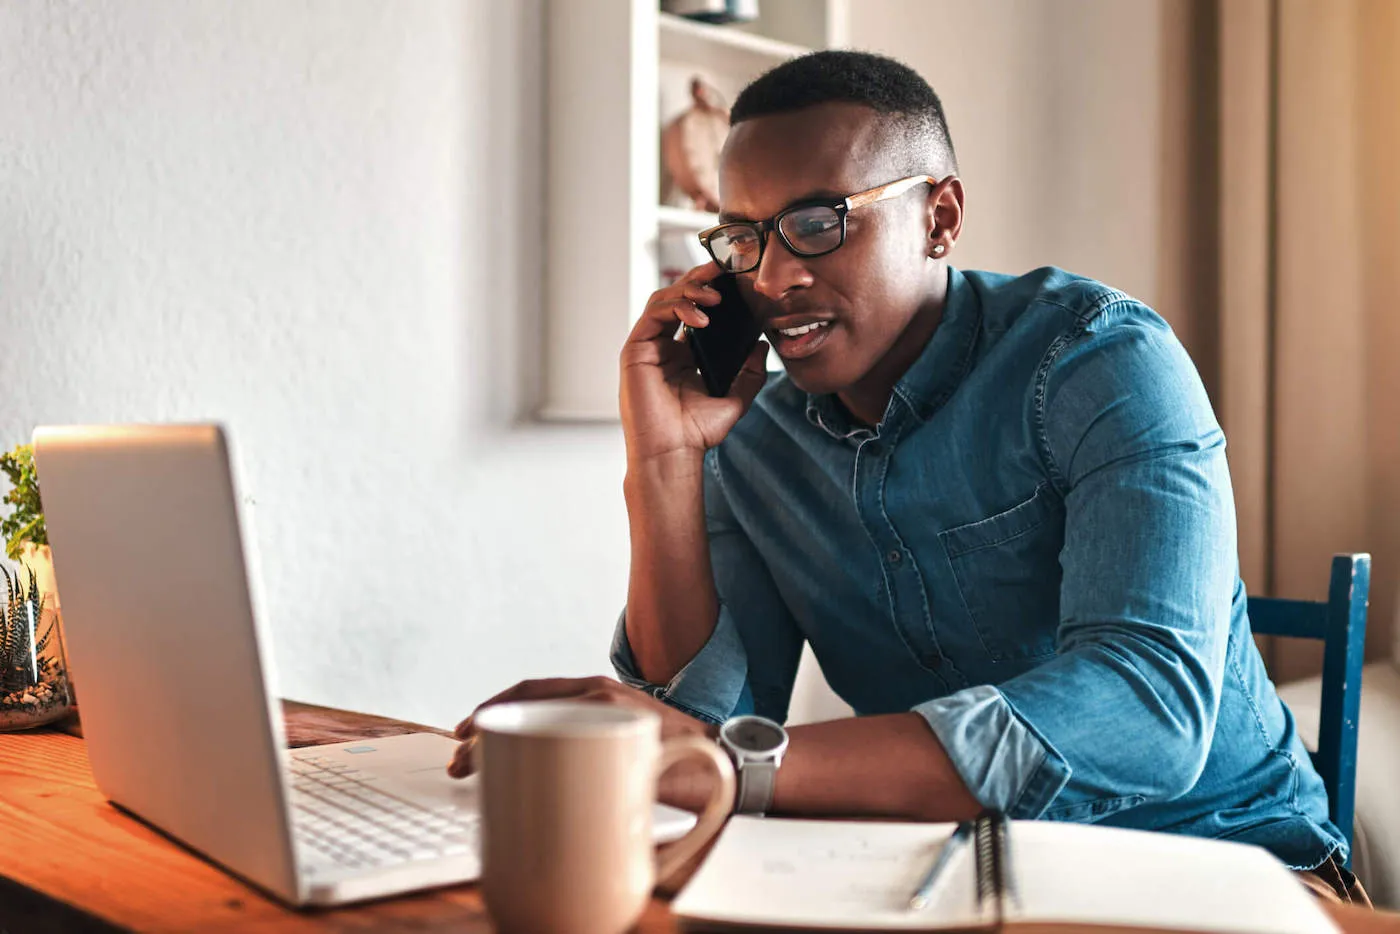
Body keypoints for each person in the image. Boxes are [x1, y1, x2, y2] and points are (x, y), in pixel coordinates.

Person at [449, 50, 1365, 904]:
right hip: (944, 870)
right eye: (742, 237)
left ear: (941, 217)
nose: (771, 278)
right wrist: (664, 465)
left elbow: (1146, 709)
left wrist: (745, 767)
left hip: (1225, 864)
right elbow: (700, 728)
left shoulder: (1100, 361)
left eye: (816, 224)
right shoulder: (754, 433)